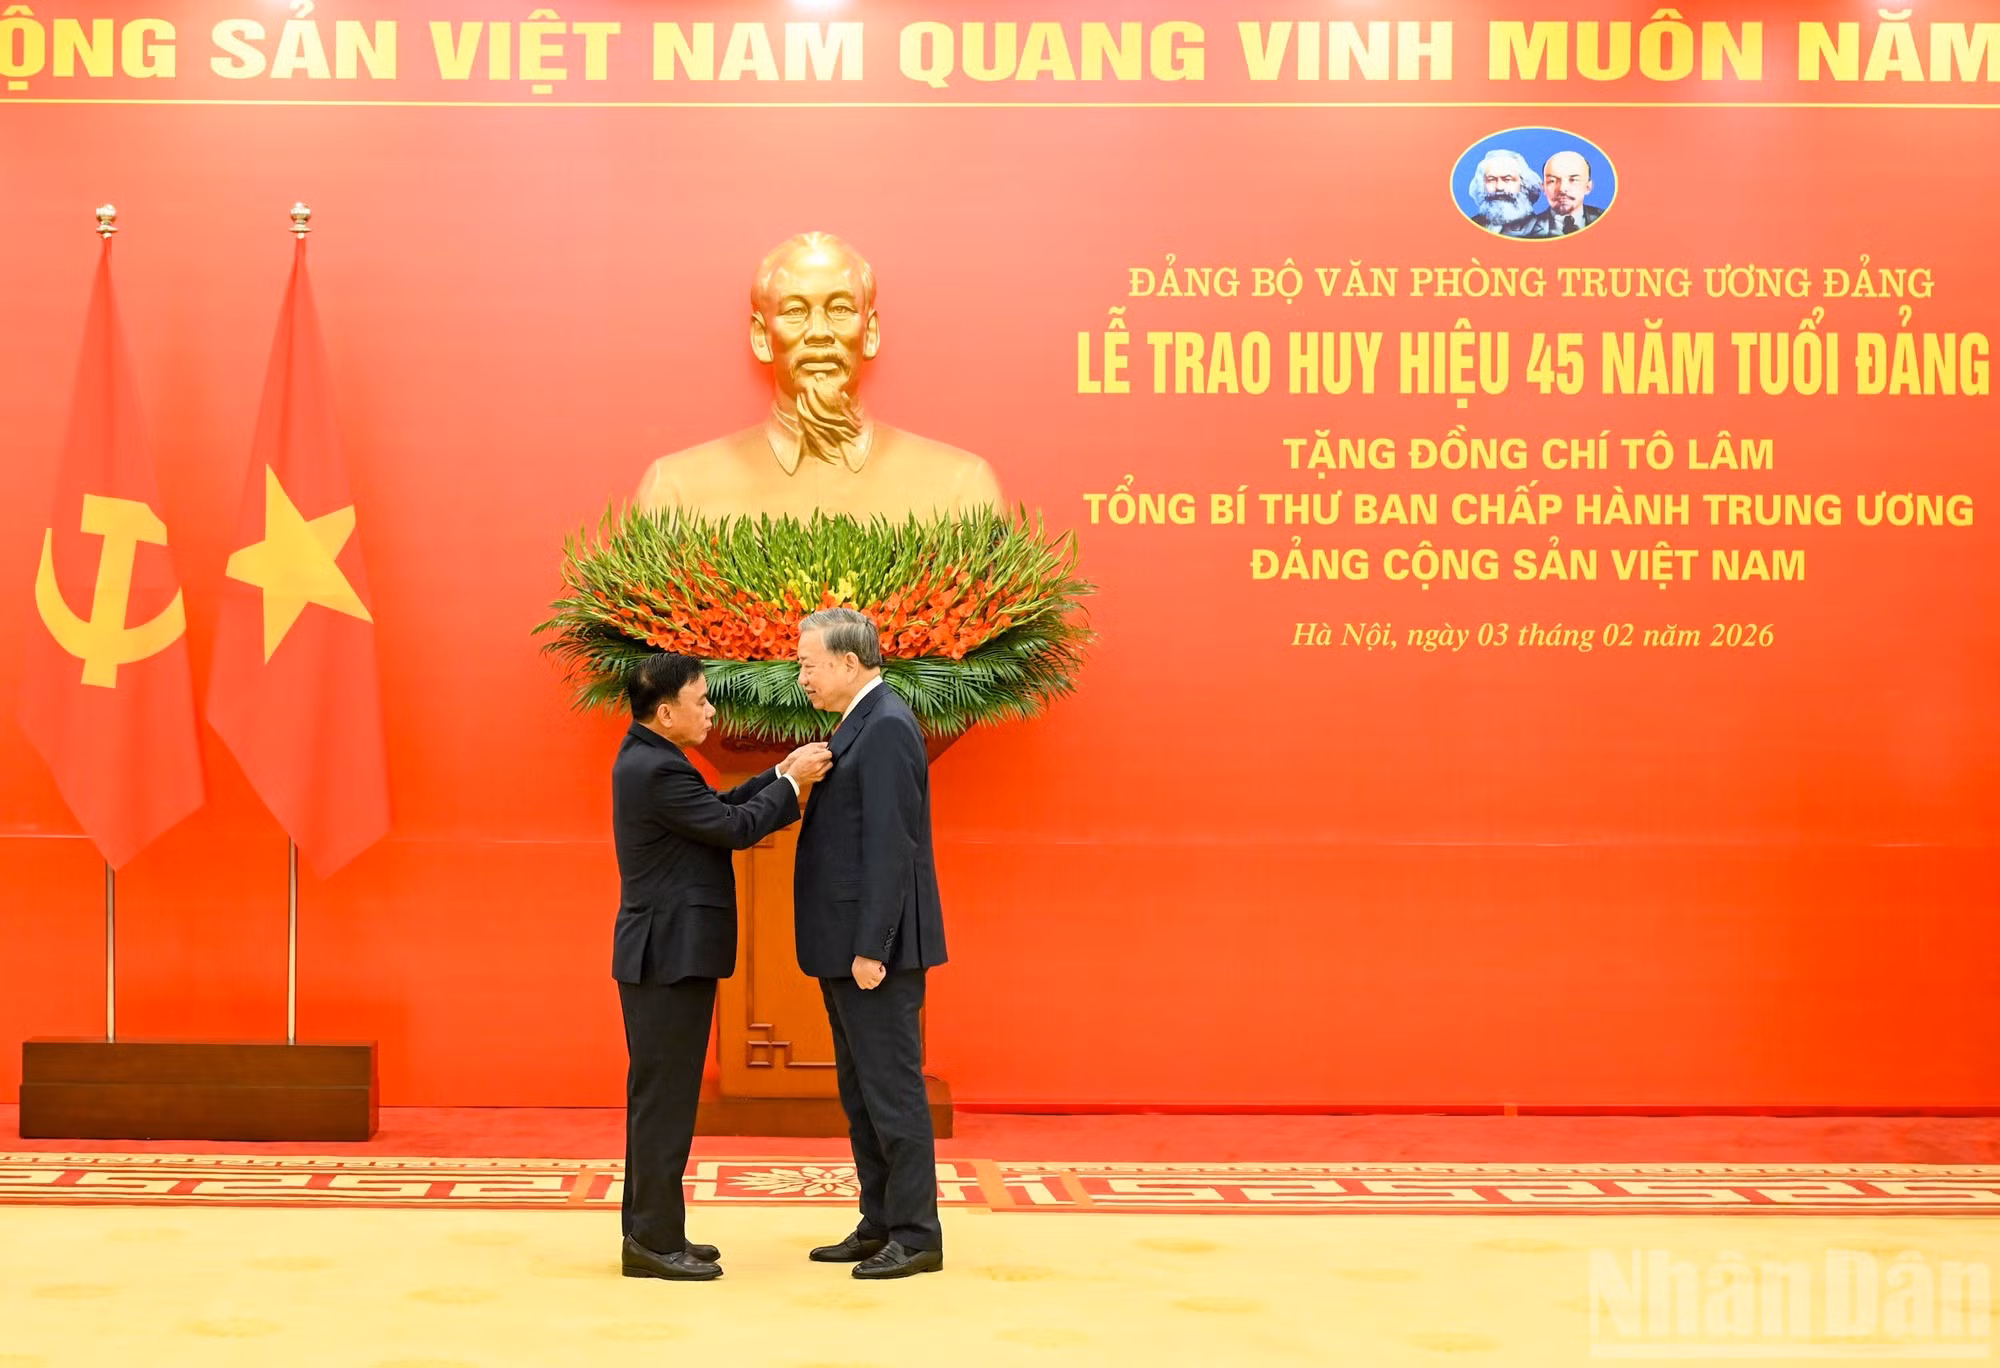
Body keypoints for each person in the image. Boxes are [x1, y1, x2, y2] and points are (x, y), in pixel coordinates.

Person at [613, 651, 831, 1282]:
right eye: (702, 701)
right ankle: (653, 1243)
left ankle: (651, 1232)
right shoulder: (655, 769)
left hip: (668, 955)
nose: (711, 710)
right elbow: (735, 828)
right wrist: (794, 785)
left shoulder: (654, 759)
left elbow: (718, 808)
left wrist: (780, 771)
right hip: (667, 957)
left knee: (660, 1100)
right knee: (665, 1103)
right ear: (665, 711)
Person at [634, 232, 1004, 521]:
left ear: (870, 333)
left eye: (840, 308)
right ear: (761, 337)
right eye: (795, 311)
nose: (819, 331)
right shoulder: (675, 495)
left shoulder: (962, 492)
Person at [790, 608, 948, 1280]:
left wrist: (873, 946)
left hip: (872, 951)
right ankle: (880, 1219)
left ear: (849, 663)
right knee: (861, 1092)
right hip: (847, 945)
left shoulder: (884, 726)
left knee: (891, 1091)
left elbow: (891, 847)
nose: (801, 677)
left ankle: (916, 1234)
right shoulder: (861, 722)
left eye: (809, 664)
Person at [1465, 148, 1543, 237]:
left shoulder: (1540, 229)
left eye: (1507, 179)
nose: (1499, 187)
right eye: (1491, 180)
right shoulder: (1470, 225)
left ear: (1524, 185)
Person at [1529, 150, 1607, 237]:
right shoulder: (1527, 230)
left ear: (1588, 187)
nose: (1562, 189)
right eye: (1552, 181)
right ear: (1543, 187)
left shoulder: (1609, 220)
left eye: (1573, 180)